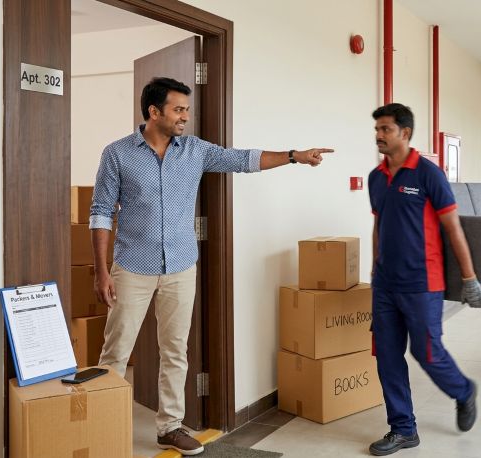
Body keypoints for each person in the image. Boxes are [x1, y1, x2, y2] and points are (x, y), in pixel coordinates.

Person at [90, 77, 332, 456]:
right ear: (154, 112)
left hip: (181, 266)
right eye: (178, 109)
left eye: (186, 109)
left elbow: (243, 159)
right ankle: (101, 430)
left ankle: (170, 426)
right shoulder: (117, 154)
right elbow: (101, 212)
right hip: (132, 266)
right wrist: (101, 270)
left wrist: (293, 156)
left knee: (175, 350)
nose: (185, 116)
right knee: (116, 351)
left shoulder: (195, 151)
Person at [366, 103, 481, 456]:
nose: (379, 135)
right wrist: (374, 270)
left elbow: (453, 228)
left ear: (405, 133)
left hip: (422, 282)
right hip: (385, 285)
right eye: (377, 129)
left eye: (386, 129)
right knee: (387, 356)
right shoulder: (376, 177)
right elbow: (379, 225)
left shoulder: (428, 174)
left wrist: (470, 278)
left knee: (427, 352)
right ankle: (403, 429)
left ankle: (464, 391)